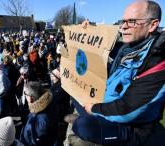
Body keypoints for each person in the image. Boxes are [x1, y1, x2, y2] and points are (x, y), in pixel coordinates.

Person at [65, 1, 165, 146]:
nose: (123, 26)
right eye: (123, 21)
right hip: (106, 103)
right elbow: (101, 46)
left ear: (153, 25)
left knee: (82, 126)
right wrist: (89, 30)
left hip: (132, 127)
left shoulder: (158, 62)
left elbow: (128, 110)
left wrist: (93, 108)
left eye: (132, 21)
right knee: (72, 89)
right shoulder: (128, 47)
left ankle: (89, 122)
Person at [19, 81, 58, 146]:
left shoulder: (41, 119)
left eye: (25, 93)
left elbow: (38, 142)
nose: (24, 95)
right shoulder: (46, 104)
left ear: (30, 98)